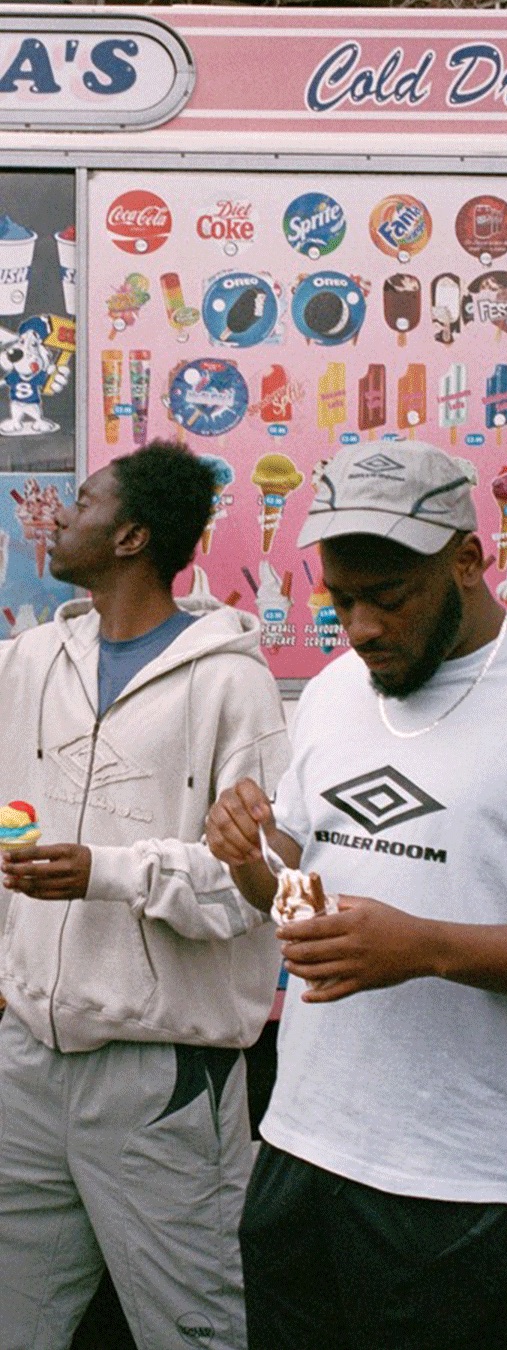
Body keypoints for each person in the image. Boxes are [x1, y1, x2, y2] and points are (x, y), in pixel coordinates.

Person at [205, 441, 507, 1350]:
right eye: (340, 600)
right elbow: (307, 908)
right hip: (302, 1149)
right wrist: (251, 861)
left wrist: (424, 948)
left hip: (467, 1186)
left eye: (389, 597)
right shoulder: (336, 691)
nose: (360, 628)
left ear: (469, 560)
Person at [0, 441, 290, 1350]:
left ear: (131, 536)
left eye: (82, 501)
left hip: (162, 1075)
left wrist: (107, 871)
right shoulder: (32, 660)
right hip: (26, 1059)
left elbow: (254, 889)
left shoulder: (232, 681)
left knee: (193, 1328)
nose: (59, 516)